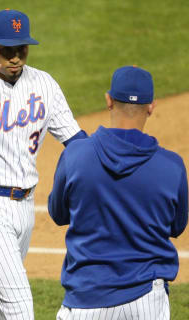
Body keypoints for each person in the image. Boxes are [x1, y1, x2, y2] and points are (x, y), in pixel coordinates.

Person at [0, 9, 86, 320]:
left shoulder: (44, 84)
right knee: (18, 306)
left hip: (23, 209)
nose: (14, 58)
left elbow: (76, 141)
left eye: (21, 50)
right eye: (6, 51)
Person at [48, 66, 188, 319]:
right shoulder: (172, 166)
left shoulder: (75, 155)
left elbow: (58, 215)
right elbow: (176, 227)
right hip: (148, 299)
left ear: (109, 100)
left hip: (86, 299)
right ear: (152, 106)